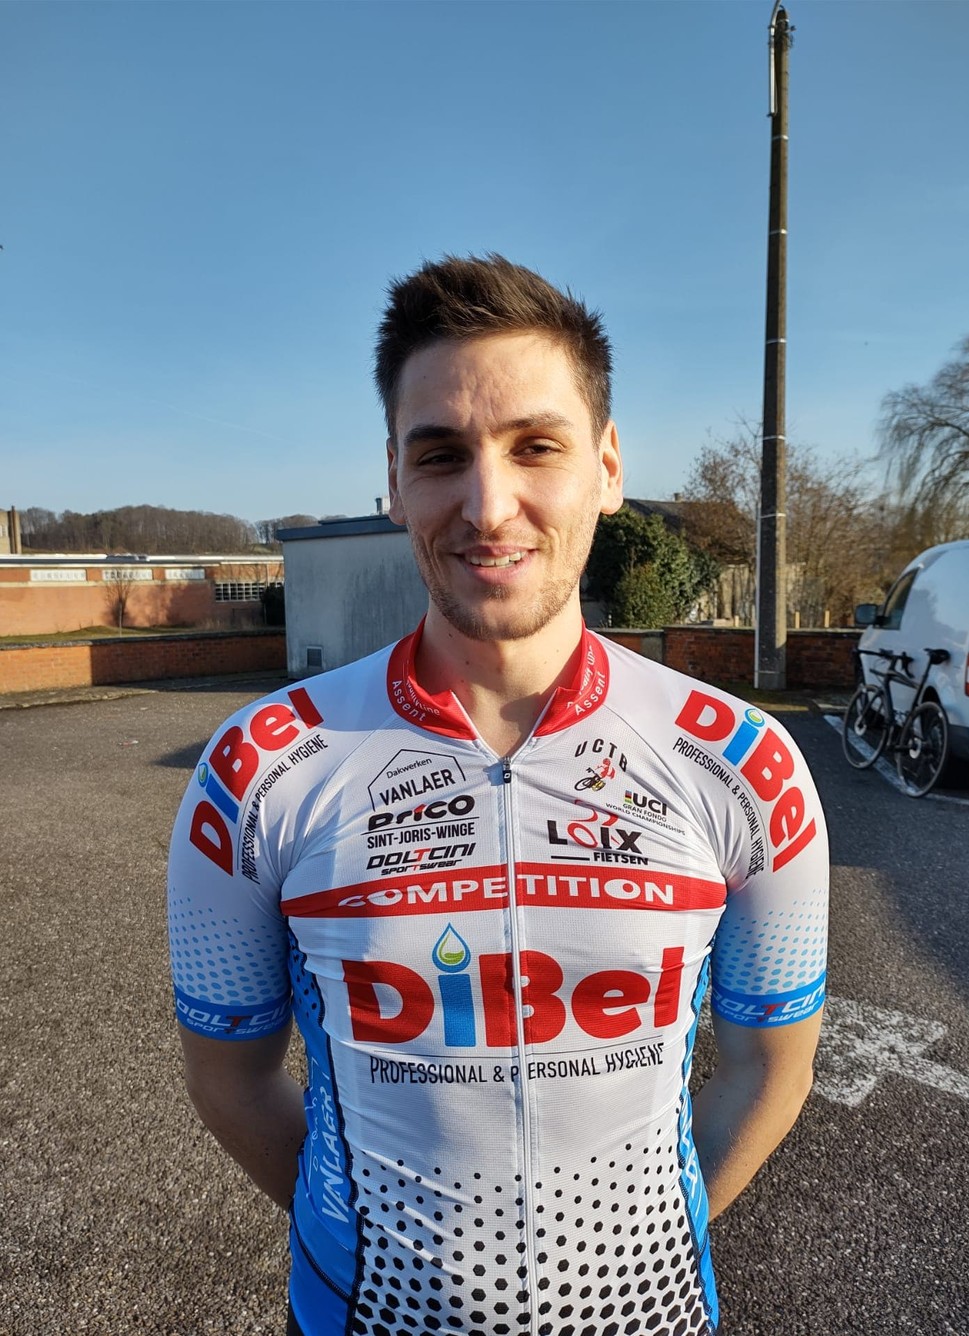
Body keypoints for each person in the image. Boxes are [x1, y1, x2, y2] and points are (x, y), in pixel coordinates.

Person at [168, 253, 828, 1336]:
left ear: (606, 466)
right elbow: (228, 1081)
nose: (487, 504)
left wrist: (637, 1255)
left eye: (536, 446)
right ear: (394, 482)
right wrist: (369, 1242)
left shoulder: (743, 763)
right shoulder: (261, 767)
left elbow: (771, 1067)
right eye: (441, 455)